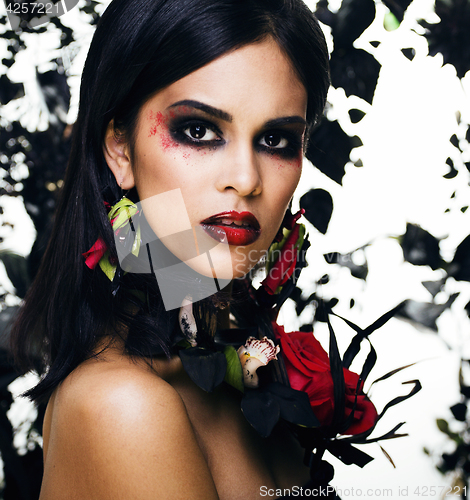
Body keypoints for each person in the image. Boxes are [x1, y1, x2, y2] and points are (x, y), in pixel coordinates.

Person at [10, 0, 336, 498]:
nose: (246, 180)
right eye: (199, 130)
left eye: (275, 139)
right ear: (120, 149)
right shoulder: (121, 406)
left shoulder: (240, 378)